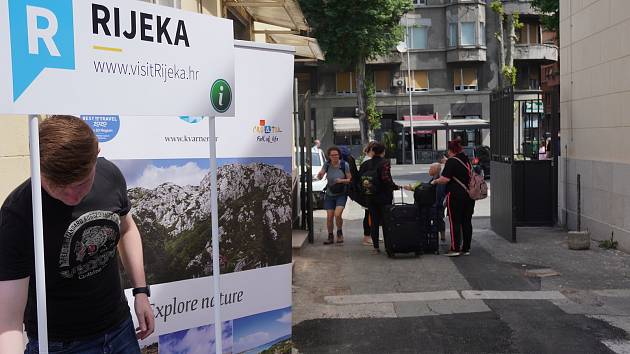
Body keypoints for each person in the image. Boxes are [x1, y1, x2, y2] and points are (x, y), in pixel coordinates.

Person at [0, 116, 154, 353]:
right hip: (60, 344)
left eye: (82, 183)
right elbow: (8, 323)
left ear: (96, 156)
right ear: (38, 169)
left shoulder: (110, 176)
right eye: (59, 187)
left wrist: (141, 291)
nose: (73, 196)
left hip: (120, 327)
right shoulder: (18, 215)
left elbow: (126, 228)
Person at [432, 140, 475, 257]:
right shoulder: (466, 160)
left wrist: (435, 181)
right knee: (467, 222)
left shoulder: (451, 161)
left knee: (454, 222)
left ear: (450, 151)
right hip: (469, 196)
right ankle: (466, 248)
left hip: (456, 196)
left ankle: (455, 248)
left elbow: (445, 179)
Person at [359, 142, 400, 254]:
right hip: (383, 196)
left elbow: (359, 179)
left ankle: (376, 247)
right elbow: (386, 179)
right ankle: (388, 246)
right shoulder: (384, 163)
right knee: (386, 221)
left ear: (373, 151)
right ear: (383, 152)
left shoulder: (366, 164)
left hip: (370, 196)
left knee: (374, 221)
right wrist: (394, 187)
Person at [316, 146, 352, 245]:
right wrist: (320, 175)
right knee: (329, 216)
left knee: (337, 214)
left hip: (341, 194)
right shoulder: (327, 164)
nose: (335, 157)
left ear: (339, 155)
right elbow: (321, 174)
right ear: (329, 156)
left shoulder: (345, 165)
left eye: (336, 155)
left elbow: (350, 179)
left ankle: (339, 232)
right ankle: (330, 236)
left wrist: (341, 180)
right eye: (332, 155)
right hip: (330, 193)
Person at [404, 162, 446, 241]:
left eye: (430, 169)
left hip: (436, 204)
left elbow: (436, 194)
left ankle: (439, 236)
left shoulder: (438, 180)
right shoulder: (434, 179)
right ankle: (439, 235)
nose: (429, 170)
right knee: (438, 218)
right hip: (434, 203)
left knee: (438, 218)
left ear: (436, 170)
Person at [360, 142, 377, 246]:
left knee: (371, 214)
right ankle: (367, 236)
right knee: (368, 214)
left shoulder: (368, 160)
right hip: (368, 192)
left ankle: (372, 234)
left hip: (369, 191)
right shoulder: (367, 161)